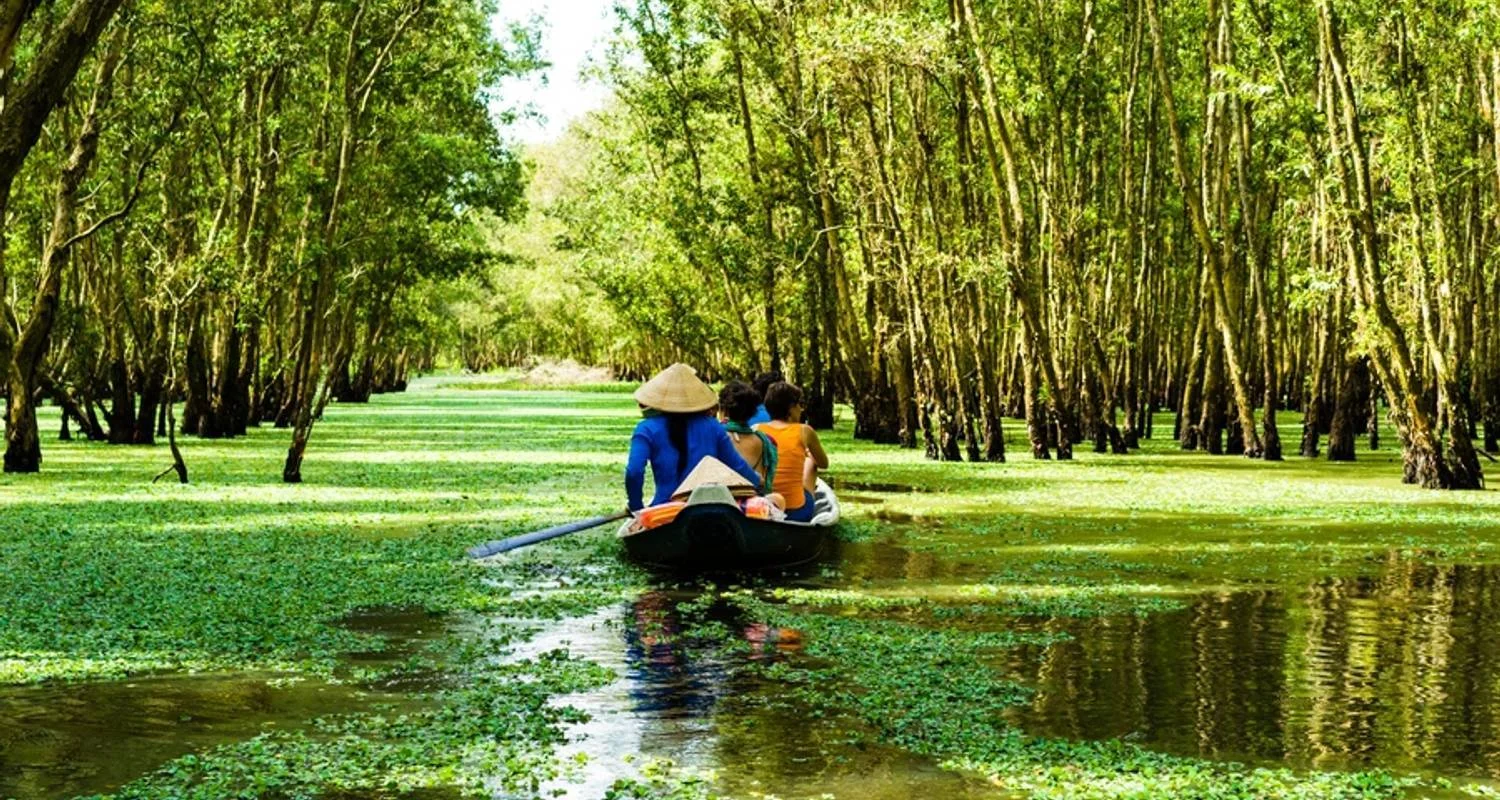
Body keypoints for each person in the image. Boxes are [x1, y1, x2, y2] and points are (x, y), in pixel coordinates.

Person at [625, 364, 761, 512]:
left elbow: (634, 471)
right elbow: (737, 465)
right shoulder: (713, 427)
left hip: (665, 509)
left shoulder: (646, 429)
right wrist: (757, 481)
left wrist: (636, 506)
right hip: (709, 508)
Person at [755, 381, 829, 523]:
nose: (801, 409)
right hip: (796, 512)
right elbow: (824, 463)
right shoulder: (805, 431)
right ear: (791, 407)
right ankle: (808, 498)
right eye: (799, 404)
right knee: (811, 461)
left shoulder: (757, 429)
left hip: (764, 509)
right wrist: (807, 454)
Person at [717, 381, 784, 508]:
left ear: (724, 410)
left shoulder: (717, 437)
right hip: (754, 505)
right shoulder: (764, 441)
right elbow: (764, 482)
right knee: (778, 499)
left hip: (722, 502)